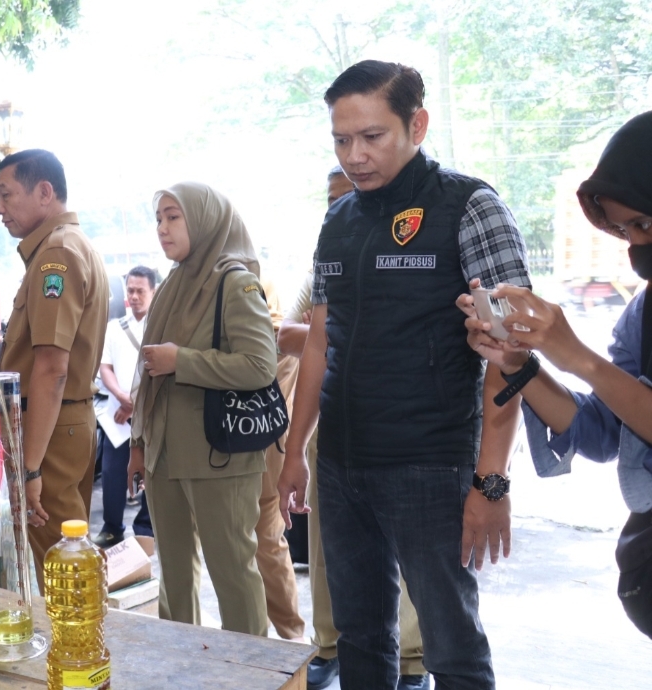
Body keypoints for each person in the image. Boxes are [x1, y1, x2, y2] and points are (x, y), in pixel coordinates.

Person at [278, 60, 531, 689]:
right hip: (341, 463)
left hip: (430, 464)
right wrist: (296, 451)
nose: (355, 155)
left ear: (416, 124)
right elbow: (319, 346)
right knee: (359, 638)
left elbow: (515, 358)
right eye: (342, 139)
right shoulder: (339, 221)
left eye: (372, 136)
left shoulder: (470, 207)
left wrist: (491, 484)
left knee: (452, 647)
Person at [458, 111, 652, 640]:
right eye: (623, 230)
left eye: (644, 224)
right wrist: (519, 363)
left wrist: (578, 356)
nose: (633, 245)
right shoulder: (643, 315)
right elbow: (602, 433)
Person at [279, 168, 428, 689]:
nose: (339, 208)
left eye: (349, 196)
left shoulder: (408, 257)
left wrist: (335, 335)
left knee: (406, 554)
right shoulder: (327, 261)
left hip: (402, 431)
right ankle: (329, 645)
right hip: (331, 426)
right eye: (331, 200)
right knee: (327, 553)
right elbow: (291, 332)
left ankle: (412, 659)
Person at [128, 181, 276, 636]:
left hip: (219, 453)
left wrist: (182, 361)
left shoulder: (236, 281)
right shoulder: (174, 283)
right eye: (159, 218)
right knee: (172, 575)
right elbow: (146, 368)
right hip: (164, 451)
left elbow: (260, 365)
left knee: (232, 572)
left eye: (174, 217)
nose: (163, 229)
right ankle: (181, 669)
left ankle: (254, 672)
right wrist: (139, 443)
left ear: (205, 220)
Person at [0, 149, 109, 585]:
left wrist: (30, 468)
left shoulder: (56, 254)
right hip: (65, 422)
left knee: (58, 567)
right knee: (68, 553)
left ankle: (75, 653)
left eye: (6, 195)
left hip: (50, 426)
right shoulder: (70, 245)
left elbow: (50, 369)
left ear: (45, 192)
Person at [254, 278, 307, 641]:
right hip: (254, 439)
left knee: (266, 536)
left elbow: (282, 340)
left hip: (263, 441)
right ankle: (289, 637)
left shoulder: (254, 285)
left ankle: (291, 637)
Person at [93, 265, 157, 548]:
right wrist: (122, 397)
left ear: (153, 292)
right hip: (117, 416)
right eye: (130, 290)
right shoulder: (113, 328)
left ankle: (146, 525)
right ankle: (112, 526)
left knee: (153, 473)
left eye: (140, 291)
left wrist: (136, 405)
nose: (134, 296)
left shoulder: (161, 327)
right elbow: (104, 366)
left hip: (152, 414)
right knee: (112, 472)